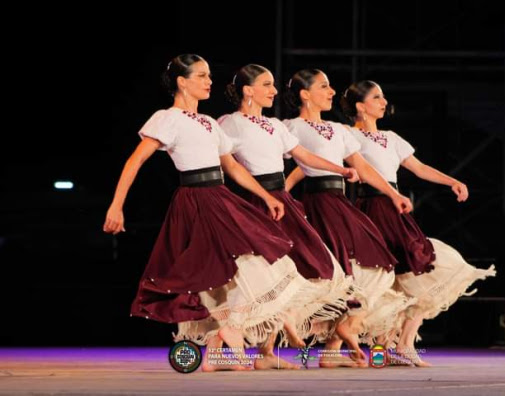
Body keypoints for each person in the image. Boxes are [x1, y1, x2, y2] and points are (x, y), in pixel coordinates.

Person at [103, 54, 312, 371]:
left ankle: (216, 350)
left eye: (209, 75)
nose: (209, 81)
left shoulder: (210, 122)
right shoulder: (167, 118)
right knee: (224, 270)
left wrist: (264, 196)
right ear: (182, 82)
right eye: (201, 76)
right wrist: (116, 205)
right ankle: (227, 334)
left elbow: (232, 167)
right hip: (196, 199)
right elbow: (135, 161)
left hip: (221, 196)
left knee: (254, 267)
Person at [341, 80, 496, 366]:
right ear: (361, 106)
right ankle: (385, 350)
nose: (384, 101)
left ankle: (403, 343)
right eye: (377, 97)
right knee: (388, 281)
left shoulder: (391, 137)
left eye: (383, 96)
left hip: (394, 208)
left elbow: (419, 168)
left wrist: (453, 181)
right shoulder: (348, 136)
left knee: (420, 272)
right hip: (370, 208)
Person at [219, 64, 360, 368]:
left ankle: (268, 350)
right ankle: (232, 339)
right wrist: (263, 196)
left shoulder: (276, 125)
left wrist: (341, 169)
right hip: (255, 201)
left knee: (311, 267)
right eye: (267, 85)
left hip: (280, 199)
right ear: (248, 90)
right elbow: (230, 165)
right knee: (261, 273)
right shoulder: (231, 123)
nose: (273, 91)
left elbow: (304, 156)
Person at [283, 69, 416, 366]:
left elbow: (364, 168)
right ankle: (287, 331)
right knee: (320, 270)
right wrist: (278, 195)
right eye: (324, 86)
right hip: (317, 203)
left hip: (339, 201)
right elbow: (295, 163)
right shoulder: (291, 126)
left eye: (331, 87)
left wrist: (394, 195)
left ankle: (337, 342)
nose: (332, 92)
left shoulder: (339, 129)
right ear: (305, 94)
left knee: (373, 266)